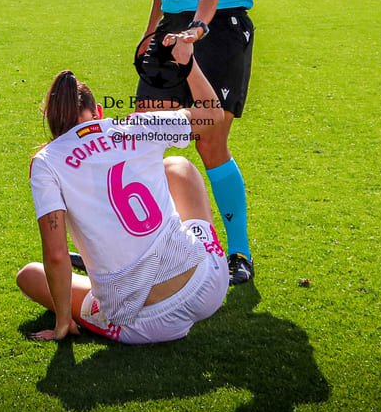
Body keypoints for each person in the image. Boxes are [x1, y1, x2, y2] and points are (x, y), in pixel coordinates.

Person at [18, 35, 228, 343]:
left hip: (145, 324)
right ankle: (189, 255)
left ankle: (106, 280)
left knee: (30, 276)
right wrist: (188, 63)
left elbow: (56, 254)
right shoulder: (135, 125)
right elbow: (213, 116)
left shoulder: (47, 162)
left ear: (52, 125)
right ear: (99, 112)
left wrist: (63, 319)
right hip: (207, 286)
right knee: (179, 167)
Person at [137, 0, 256, 285]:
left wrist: (199, 27)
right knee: (145, 134)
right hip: (172, 23)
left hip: (221, 24)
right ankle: (140, 247)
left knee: (209, 139)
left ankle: (239, 253)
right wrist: (153, 30)